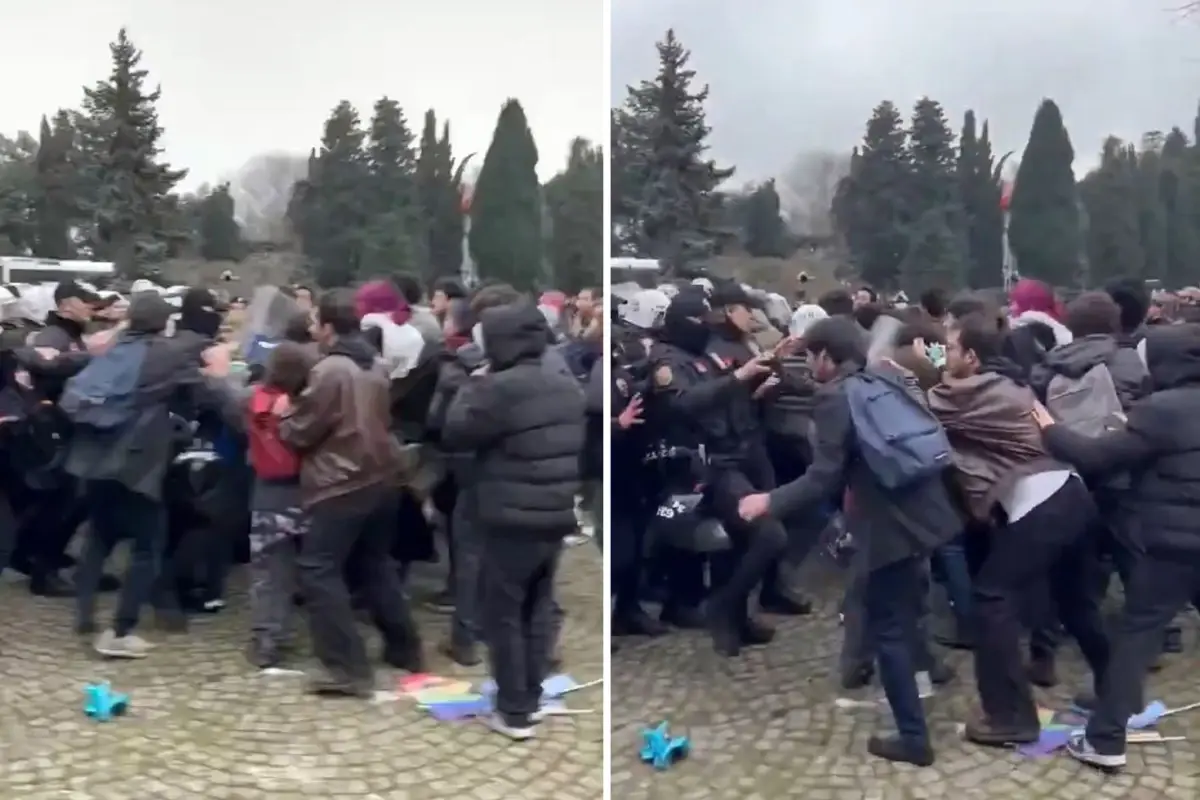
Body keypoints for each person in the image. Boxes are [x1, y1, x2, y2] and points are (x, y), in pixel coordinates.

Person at [738, 315, 961, 766]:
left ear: (825, 357)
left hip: (889, 529)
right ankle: (927, 675)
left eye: (810, 358)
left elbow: (822, 477)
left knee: (889, 631)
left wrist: (767, 502)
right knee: (909, 605)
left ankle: (913, 738)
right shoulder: (885, 376)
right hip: (927, 514)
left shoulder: (837, 398)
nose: (809, 367)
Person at [1036, 324, 1200, 772]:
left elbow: (1095, 457)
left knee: (1138, 635)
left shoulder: (1161, 410)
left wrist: (1048, 428)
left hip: (1172, 545)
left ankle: (1106, 741)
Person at [66, 292, 244, 658]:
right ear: (164, 322)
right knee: (148, 546)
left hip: (93, 459)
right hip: (136, 463)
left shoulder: (113, 347)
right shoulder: (167, 354)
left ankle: (84, 616)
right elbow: (209, 393)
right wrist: (228, 387)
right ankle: (121, 629)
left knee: (99, 538)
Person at [441, 300, 585, 741]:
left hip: (508, 518)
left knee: (502, 614)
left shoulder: (497, 388)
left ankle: (513, 711)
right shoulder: (563, 383)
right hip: (554, 513)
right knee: (537, 609)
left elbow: (456, 431)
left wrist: (473, 384)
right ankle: (532, 694)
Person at [279, 289, 423, 696]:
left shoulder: (331, 371)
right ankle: (405, 648)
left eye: (315, 324)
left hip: (340, 483)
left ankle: (348, 667)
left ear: (326, 327)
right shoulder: (374, 365)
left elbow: (304, 429)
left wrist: (284, 419)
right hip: (382, 479)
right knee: (375, 564)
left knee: (318, 570)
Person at [245, 341, 316, 668]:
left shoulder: (255, 400)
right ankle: (325, 636)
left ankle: (268, 638)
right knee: (319, 568)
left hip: (269, 495)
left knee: (270, 571)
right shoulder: (312, 403)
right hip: (310, 492)